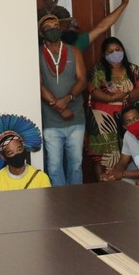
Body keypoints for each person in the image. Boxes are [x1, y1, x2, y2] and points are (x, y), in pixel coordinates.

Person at [38, 13, 88, 187]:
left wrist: (67, 99)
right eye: (48, 28)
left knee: (76, 165)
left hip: (76, 118)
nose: (53, 30)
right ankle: (59, 201)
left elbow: (82, 80)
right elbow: (38, 84)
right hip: (51, 121)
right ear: (41, 33)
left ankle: (75, 200)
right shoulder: (37, 54)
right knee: (53, 167)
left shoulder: (74, 51)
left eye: (56, 26)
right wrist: (59, 108)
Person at [87, 37, 139, 178]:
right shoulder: (98, 70)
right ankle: (103, 185)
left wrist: (127, 96)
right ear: (104, 54)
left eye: (118, 50)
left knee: (124, 153)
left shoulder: (133, 69)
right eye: (110, 51)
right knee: (103, 156)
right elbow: (93, 91)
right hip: (103, 120)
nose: (115, 53)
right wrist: (112, 98)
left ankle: (120, 185)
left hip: (127, 119)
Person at [39, 0, 131, 52]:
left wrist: (123, 4)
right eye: (48, 27)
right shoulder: (38, 49)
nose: (72, 27)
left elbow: (103, 26)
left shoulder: (77, 44)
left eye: (56, 26)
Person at [0, 113, 50, 192]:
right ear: (3, 156)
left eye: (19, 149)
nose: (17, 154)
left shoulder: (41, 178)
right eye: (11, 153)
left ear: (24, 148)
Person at [102, 104, 139, 190]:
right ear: (125, 127)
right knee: (114, 182)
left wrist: (122, 174)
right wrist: (113, 174)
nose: (133, 123)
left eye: (136, 118)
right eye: (129, 122)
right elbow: (122, 162)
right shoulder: (128, 136)